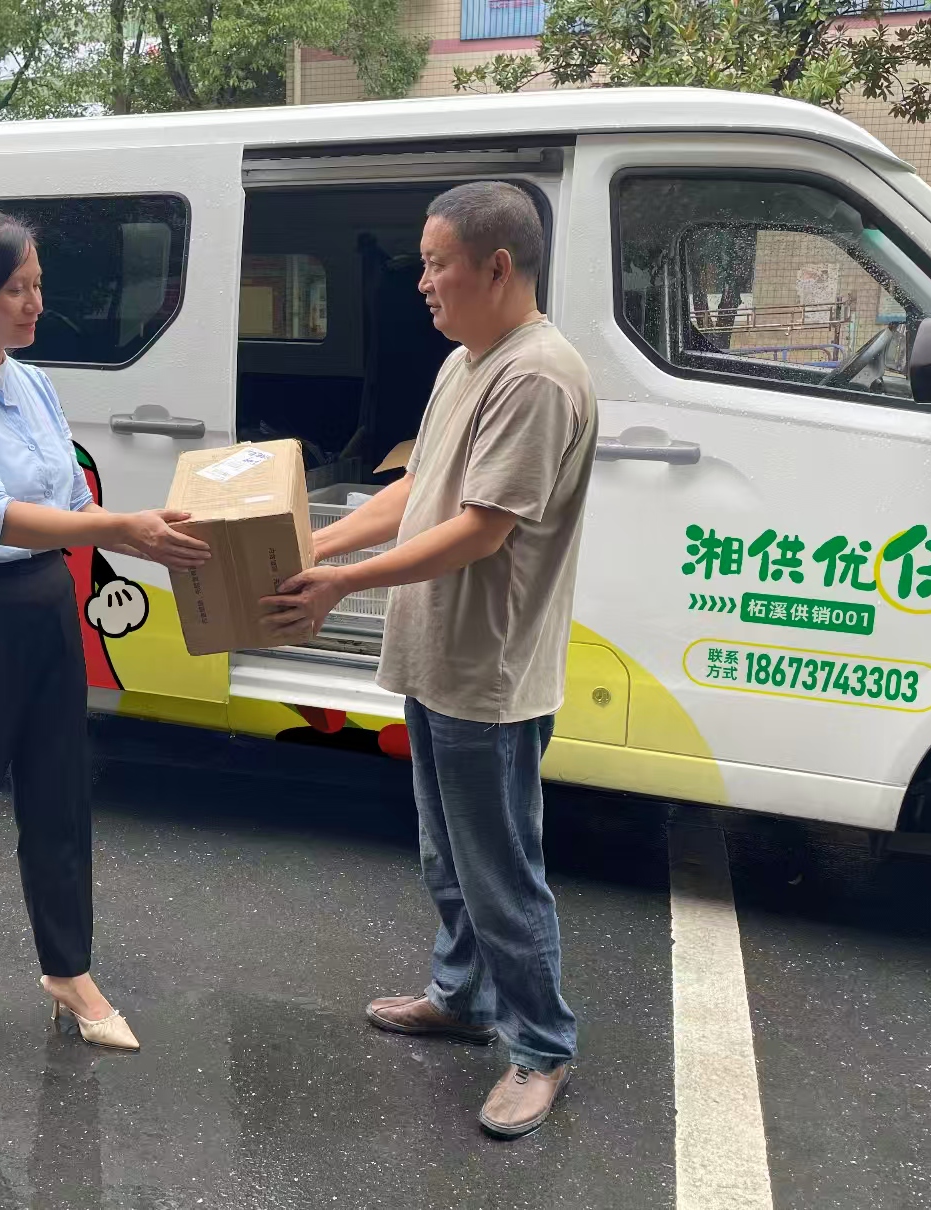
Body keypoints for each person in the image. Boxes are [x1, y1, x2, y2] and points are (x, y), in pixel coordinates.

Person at [263, 182, 598, 1139]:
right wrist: (312, 544)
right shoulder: (466, 362)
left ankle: (542, 1046)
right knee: (445, 855)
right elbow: (418, 488)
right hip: (437, 655)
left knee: (500, 874)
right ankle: (461, 998)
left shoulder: (536, 377)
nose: (420, 282)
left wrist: (340, 584)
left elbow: (480, 530)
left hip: (487, 671)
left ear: (497, 267)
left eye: (435, 263)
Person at [0, 207, 209, 1072]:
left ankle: (68, 970)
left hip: (43, 598)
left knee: (59, 796)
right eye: (16, 289)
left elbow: (66, 497)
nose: (34, 304)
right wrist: (119, 529)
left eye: (36, 286)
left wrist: (124, 528)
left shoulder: (30, 382)